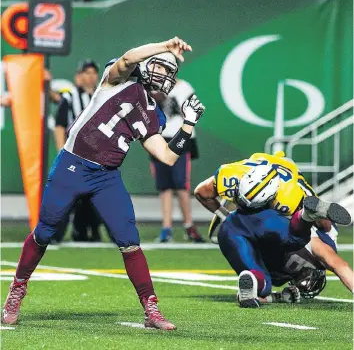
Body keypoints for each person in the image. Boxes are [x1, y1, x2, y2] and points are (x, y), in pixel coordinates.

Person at [2, 37, 205, 329]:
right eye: (159, 66)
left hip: (106, 177)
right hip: (72, 166)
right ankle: (17, 289)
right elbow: (128, 56)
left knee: (129, 240)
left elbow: (166, 156)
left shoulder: (153, 113)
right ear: (148, 64)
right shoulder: (118, 79)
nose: (163, 74)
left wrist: (188, 125)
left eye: (168, 71)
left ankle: (151, 308)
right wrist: (165, 46)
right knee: (44, 232)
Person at [194, 152, 351, 308]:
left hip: (231, 229)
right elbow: (338, 259)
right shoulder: (290, 195)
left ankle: (253, 279)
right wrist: (313, 218)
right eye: (308, 282)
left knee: (261, 283)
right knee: (296, 240)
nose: (305, 285)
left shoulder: (230, 174)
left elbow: (201, 192)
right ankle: (305, 215)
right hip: (265, 220)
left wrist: (225, 216)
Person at [150, 79, 204, 243]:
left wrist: (174, 104)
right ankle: (166, 228)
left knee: (181, 185)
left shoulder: (184, 87)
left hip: (180, 138)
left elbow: (195, 112)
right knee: (164, 186)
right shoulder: (150, 88)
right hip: (158, 139)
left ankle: (189, 225)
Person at [54, 59, 102, 242]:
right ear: (78, 76)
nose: (90, 76)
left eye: (93, 72)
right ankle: (55, 234)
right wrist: (62, 153)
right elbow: (59, 126)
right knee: (67, 195)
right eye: (86, 72)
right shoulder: (69, 98)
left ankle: (88, 231)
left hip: (97, 158)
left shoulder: (101, 97)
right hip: (74, 156)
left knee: (95, 195)